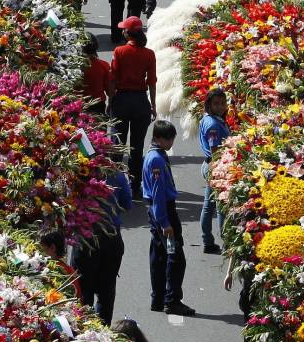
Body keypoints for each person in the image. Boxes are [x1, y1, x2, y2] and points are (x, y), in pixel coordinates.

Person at [143, 120, 195, 316]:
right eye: (167, 138)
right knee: (175, 257)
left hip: (157, 210)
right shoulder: (156, 159)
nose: (171, 142)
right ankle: (172, 299)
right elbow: (157, 194)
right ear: (157, 138)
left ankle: (158, 297)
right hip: (163, 210)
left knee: (158, 254)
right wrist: (165, 222)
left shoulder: (154, 155)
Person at [71, 164, 131, 325]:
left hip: (85, 240)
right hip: (111, 240)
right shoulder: (116, 175)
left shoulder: (75, 174)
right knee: (106, 292)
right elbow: (126, 204)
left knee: (83, 291)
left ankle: (83, 331)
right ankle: (102, 334)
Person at [110, 16, 157, 198]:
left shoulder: (119, 51)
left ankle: (114, 184)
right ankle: (135, 184)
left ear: (127, 33)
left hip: (121, 101)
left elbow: (113, 79)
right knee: (137, 147)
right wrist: (153, 105)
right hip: (140, 102)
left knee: (117, 145)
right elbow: (151, 82)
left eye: (123, 29)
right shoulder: (149, 54)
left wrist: (109, 102)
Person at [199, 89, 228, 254]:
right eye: (216, 104)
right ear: (209, 104)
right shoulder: (213, 125)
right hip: (215, 167)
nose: (220, 107)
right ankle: (224, 241)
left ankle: (208, 240)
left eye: (223, 103)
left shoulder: (211, 119)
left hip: (211, 165)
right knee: (219, 207)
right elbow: (215, 149)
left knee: (208, 205)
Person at [81, 34, 111, 115]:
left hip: (78, 105)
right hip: (98, 106)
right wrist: (110, 105)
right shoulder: (104, 65)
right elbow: (110, 90)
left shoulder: (75, 67)